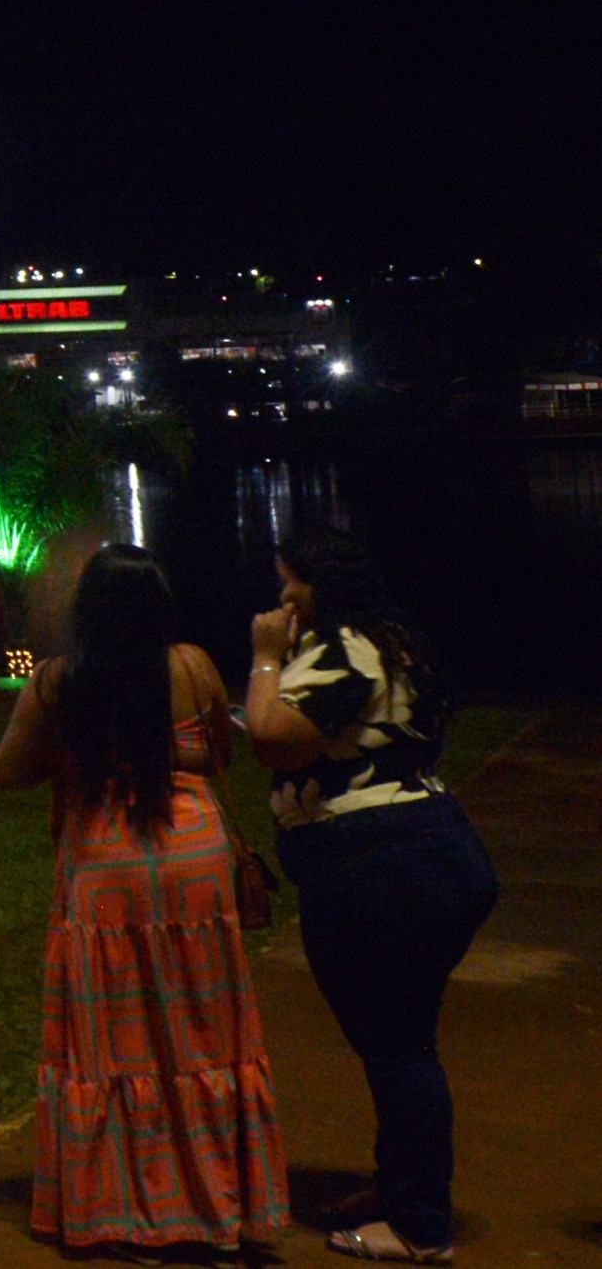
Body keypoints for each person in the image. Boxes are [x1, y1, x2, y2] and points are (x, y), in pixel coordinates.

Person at [0, 544, 289, 1259]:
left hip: (105, 865)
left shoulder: (59, 684)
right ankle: (215, 1207)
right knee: (201, 1031)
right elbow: (217, 752)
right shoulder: (191, 666)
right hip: (191, 857)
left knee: (116, 1039)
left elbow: (9, 773)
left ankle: (122, 1214)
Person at [245, 528, 496, 1265]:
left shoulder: (343, 649)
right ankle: (400, 1189)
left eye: (290, 582)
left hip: (386, 868)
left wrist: (263, 658)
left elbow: (270, 735)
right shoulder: (387, 643)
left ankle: (420, 1227)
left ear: (321, 586)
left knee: (401, 1049)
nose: (281, 598)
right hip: (423, 855)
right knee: (394, 1044)